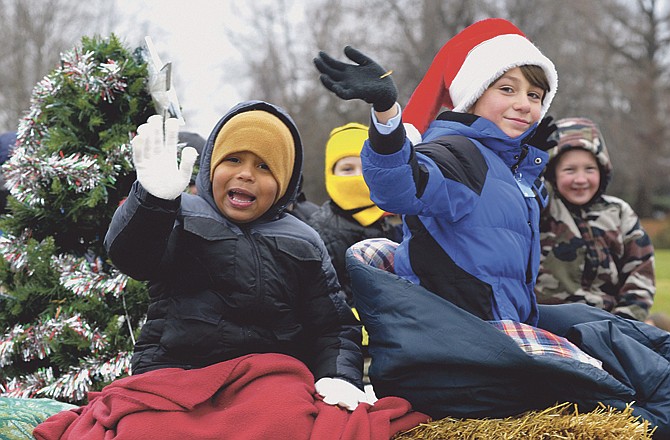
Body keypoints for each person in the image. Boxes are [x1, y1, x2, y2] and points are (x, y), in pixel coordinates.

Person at [103, 101, 366, 410]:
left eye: (264, 166)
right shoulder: (179, 214)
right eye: (234, 159)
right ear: (212, 166)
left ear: (284, 183)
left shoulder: (304, 240)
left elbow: (332, 326)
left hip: (269, 383)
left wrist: (339, 376)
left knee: (289, 422)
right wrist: (153, 203)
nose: (245, 174)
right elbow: (131, 258)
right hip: (175, 375)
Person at [314, 17, 558, 325]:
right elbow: (397, 186)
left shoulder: (509, 167)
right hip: (457, 343)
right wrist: (387, 117)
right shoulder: (459, 153)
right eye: (507, 89)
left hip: (505, 331)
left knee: (599, 328)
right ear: (473, 95)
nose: (524, 104)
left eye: (534, 95)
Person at [535, 117, 656, 321]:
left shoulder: (618, 212)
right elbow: (523, 185)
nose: (580, 179)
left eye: (589, 169)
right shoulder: (542, 205)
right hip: (552, 324)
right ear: (553, 174)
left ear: (602, 171)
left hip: (609, 324)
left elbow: (640, 271)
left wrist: (624, 325)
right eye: (569, 170)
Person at [306, 122, 402, 305]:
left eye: (365, 168)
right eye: (347, 169)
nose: (358, 177)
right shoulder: (319, 231)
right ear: (330, 173)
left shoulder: (393, 221)